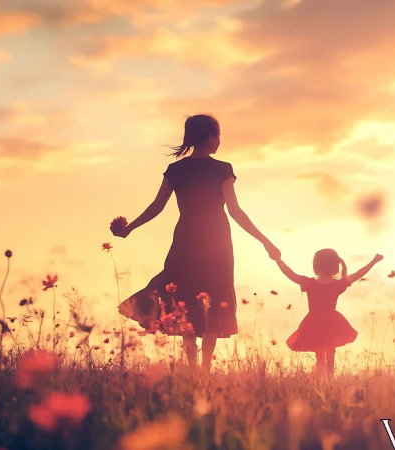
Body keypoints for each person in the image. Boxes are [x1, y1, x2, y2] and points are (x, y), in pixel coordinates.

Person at [113, 114, 280, 372]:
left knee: (186, 300)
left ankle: (193, 368)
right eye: (219, 136)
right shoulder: (222, 169)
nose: (219, 141)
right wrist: (265, 241)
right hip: (216, 242)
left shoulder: (176, 170)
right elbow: (235, 211)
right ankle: (203, 371)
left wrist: (130, 228)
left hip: (186, 240)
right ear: (211, 136)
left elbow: (157, 206)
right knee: (214, 299)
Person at [273, 250, 383, 376]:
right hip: (332, 322)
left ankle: (321, 380)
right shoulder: (337, 284)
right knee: (330, 352)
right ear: (335, 267)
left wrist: (277, 259)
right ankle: (329, 379)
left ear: (316, 266)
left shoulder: (310, 283)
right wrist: (373, 261)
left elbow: (289, 273)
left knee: (320, 353)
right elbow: (359, 274)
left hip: (314, 322)